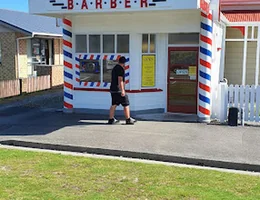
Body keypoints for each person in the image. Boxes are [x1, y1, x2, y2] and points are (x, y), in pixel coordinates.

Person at [108, 56, 136, 125]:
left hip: (113, 89)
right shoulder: (121, 69)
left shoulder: (114, 68)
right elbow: (120, 80)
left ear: (118, 61)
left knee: (114, 104)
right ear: (124, 63)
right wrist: (122, 90)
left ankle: (111, 119)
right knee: (126, 104)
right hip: (118, 90)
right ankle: (128, 119)